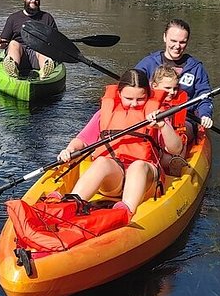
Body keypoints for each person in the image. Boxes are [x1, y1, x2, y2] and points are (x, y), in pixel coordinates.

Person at [53, 69, 183, 224]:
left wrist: (162, 126)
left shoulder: (155, 115)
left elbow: (175, 149)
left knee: (138, 166)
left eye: (140, 99)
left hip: (145, 179)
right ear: (119, 94)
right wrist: (69, 150)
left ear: (148, 95)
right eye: (128, 98)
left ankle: (125, 212)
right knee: (101, 162)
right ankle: (71, 205)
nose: (134, 104)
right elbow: (82, 140)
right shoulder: (104, 113)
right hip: (114, 179)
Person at [135, 19, 213, 140]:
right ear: (165, 37)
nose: (177, 46)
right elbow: (132, 87)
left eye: (182, 42)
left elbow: (204, 96)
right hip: (150, 116)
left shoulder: (196, 68)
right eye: (173, 41)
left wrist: (205, 114)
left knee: (174, 134)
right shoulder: (148, 63)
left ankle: (175, 152)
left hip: (183, 120)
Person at [0, 0, 56, 79]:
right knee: (13, 43)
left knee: (42, 46)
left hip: (38, 57)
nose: (33, 0)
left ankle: (44, 71)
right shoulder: (13, 18)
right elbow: (4, 43)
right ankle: (13, 68)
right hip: (20, 57)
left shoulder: (47, 18)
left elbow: (56, 43)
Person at [151, 65, 189, 176]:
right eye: (167, 88)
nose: (172, 92)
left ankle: (177, 162)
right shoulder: (146, 100)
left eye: (175, 88)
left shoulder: (178, 100)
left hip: (171, 142)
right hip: (155, 143)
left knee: (183, 138)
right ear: (154, 86)